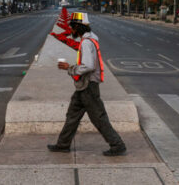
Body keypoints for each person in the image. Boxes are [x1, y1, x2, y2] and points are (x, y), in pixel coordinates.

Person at [48, 12, 127, 156]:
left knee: (99, 117)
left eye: (72, 27)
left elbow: (88, 66)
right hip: (83, 86)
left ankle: (117, 145)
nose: (70, 30)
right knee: (72, 115)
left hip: (88, 86)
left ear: (78, 27)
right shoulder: (91, 39)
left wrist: (69, 68)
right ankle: (63, 144)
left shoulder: (86, 43)